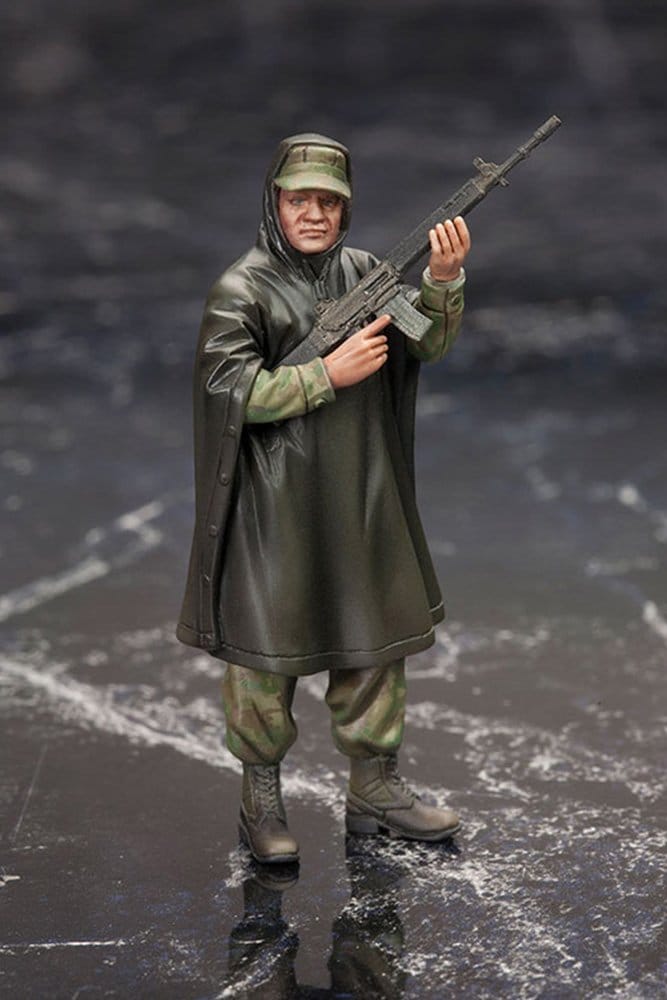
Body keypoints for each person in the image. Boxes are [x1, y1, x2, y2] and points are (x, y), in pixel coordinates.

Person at [177, 133, 471, 864]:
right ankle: (260, 798)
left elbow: (424, 341)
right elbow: (226, 390)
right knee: (262, 653)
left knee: (374, 639)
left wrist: (441, 281)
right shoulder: (241, 289)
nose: (314, 214)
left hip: (361, 492)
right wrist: (323, 376)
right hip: (272, 505)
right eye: (299, 199)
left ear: (346, 208)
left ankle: (375, 787)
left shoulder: (367, 271)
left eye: (328, 202)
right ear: (274, 203)